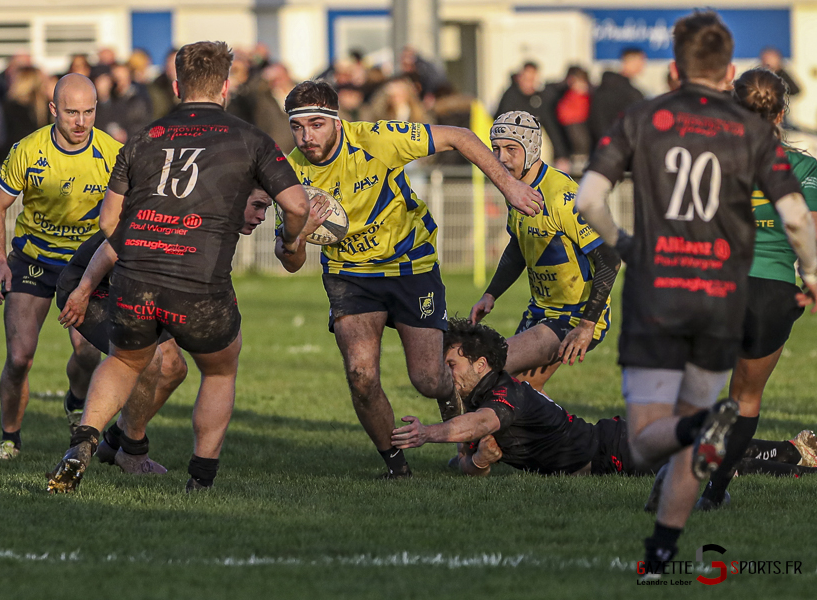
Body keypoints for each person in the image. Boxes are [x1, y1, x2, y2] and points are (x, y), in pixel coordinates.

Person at [574, 11, 817, 574]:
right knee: (745, 399)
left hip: (693, 284)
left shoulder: (660, 127)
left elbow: (590, 199)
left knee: (667, 416)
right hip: (768, 292)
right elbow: (801, 222)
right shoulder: (780, 156)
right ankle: (699, 505)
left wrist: (628, 246)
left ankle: (685, 450)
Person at [46, 41, 310, 494]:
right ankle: (200, 479)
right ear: (226, 88)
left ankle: (85, 441)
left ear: (175, 87)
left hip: (137, 277)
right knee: (219, 369)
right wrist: (289, 239)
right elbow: (297, 203)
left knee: (126, 359)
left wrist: (142, 250)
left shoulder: (143, 137)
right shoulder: (250, 139)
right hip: (199, 283)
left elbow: (108, 220)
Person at [277, 80, 544, 478]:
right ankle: (396, 468)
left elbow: (460, 135)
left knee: (429, 379)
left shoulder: (376, 139)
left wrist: (509, 186)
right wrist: (299, 234)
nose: (306, 136)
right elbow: (291, 261)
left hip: (410, 267)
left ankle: (463, 437)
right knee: (360, 375)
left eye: (316, 124)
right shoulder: (290, 171)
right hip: (351, 275)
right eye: (298, 127)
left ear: (337, 121)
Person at [391, 319, 817, 480]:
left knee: (712, 465)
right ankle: (795, 451)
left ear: (480, 364)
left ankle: (795, 466)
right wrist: (480, 461)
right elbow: (468, 457)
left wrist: (427, 433)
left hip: (614, 450)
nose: (448, 374)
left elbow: (481, 426)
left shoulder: (504, 395)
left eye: (452, 364)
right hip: (612, 442)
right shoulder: (486, 397)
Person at [53, 187, 274, 474]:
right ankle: (125, 451)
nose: (261, 216)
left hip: (139, 290)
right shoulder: (186, 212)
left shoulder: (219, 228)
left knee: (173, 368)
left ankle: (115, 441)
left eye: (266, 208)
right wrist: (82, 292)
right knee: (148, 358)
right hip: (94, 286)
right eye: (257, 205)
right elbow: (112, 246)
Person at [695, 68, 817, 511]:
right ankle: (714, 492)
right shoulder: (805, 167)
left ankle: (670, 487)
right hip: (772, 293)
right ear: (782, 112)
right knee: (745, 396)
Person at [0, 73, 122, 462]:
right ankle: (10, 439)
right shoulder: (28, 150)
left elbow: (125, 219)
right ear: (52, 110)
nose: (81, 122)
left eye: (89, 112)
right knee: (19, 357)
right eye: (72, 112)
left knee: (88, 354)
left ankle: (76, 402)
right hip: (33, 260)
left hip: (86, 265)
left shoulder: (113, 154)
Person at [469, 111, 620, 393]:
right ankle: (556, 437)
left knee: (495, 375)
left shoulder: (564, 197)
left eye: (511, 149)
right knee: (519, 393)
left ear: (532, 149)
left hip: (575, 316)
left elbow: (610, 258)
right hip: (540, 311)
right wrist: (491, 293)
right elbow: (517, 248)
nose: (501, 158)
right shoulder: (516, 191)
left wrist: (587, 325)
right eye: (496, 150)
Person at [587, 47, 646, 146]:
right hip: (617, 147)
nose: (643, 65)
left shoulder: (604, 86)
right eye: (641, 61)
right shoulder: (627, 92)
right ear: (628, 61)